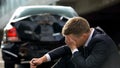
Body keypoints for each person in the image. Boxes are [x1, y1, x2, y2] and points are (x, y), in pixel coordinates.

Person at [30, 17, 120, 68]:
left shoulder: (101, 42)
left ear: (83, 36)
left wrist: (73, 48)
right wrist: (41, 59)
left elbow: (86, 67)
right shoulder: (87, 36)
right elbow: (65, 49)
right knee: (67, 57)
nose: (69, 43)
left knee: (74, 54)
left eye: (72, 40)